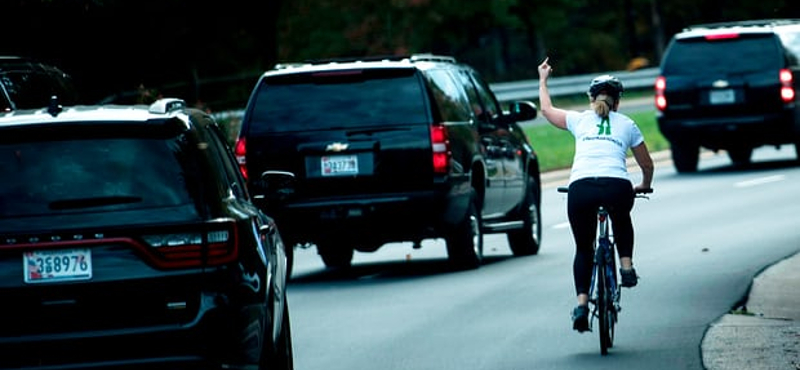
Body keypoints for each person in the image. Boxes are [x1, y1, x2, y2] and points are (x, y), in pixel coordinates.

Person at [537, 57, 654, 333]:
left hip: (581, 188)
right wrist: (644, 184)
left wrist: (543, 79)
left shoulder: (578, 120)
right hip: (616, 185)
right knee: (621, 218)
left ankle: (581, 304)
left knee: (583, 247)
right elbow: (646, 163)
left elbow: (546, 109)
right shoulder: (627, 123)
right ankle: (626, 266)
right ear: (618, 101)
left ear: (591, 99)